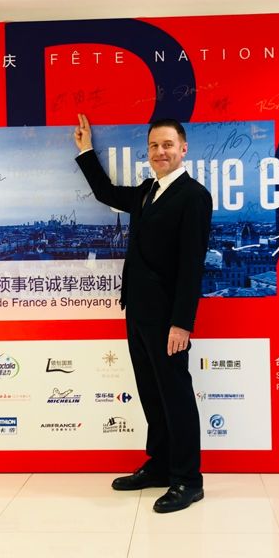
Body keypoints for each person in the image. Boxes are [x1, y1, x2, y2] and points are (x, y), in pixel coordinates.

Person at [73, 114, 212, 513]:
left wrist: (182, 323)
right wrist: (85, 149)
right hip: (137, 310)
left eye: (167, 145)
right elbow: (104, 192)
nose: (160, 152)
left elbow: (191, 266)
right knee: (152, 393)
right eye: (153, 146)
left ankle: (188, 480)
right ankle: (161, 466)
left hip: (168, 318)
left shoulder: (194, 196)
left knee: (175, 396)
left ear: (183, 149)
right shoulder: (147, 191)